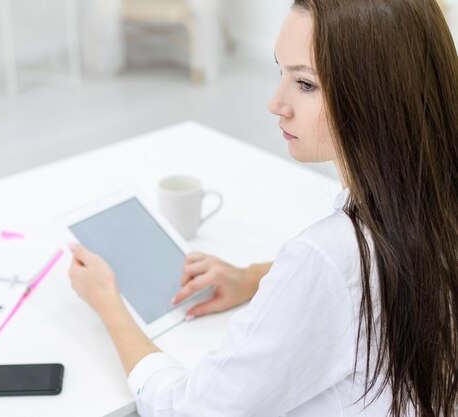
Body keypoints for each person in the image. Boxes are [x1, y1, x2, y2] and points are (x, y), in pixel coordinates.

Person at [67, 0, 458, 415]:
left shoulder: (329, 257)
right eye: (280, 73)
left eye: (305, 85)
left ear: (377, 92)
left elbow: (189, 411)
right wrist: (253, 277)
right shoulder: (427, 205)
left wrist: (110, 304)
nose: (276, 103)